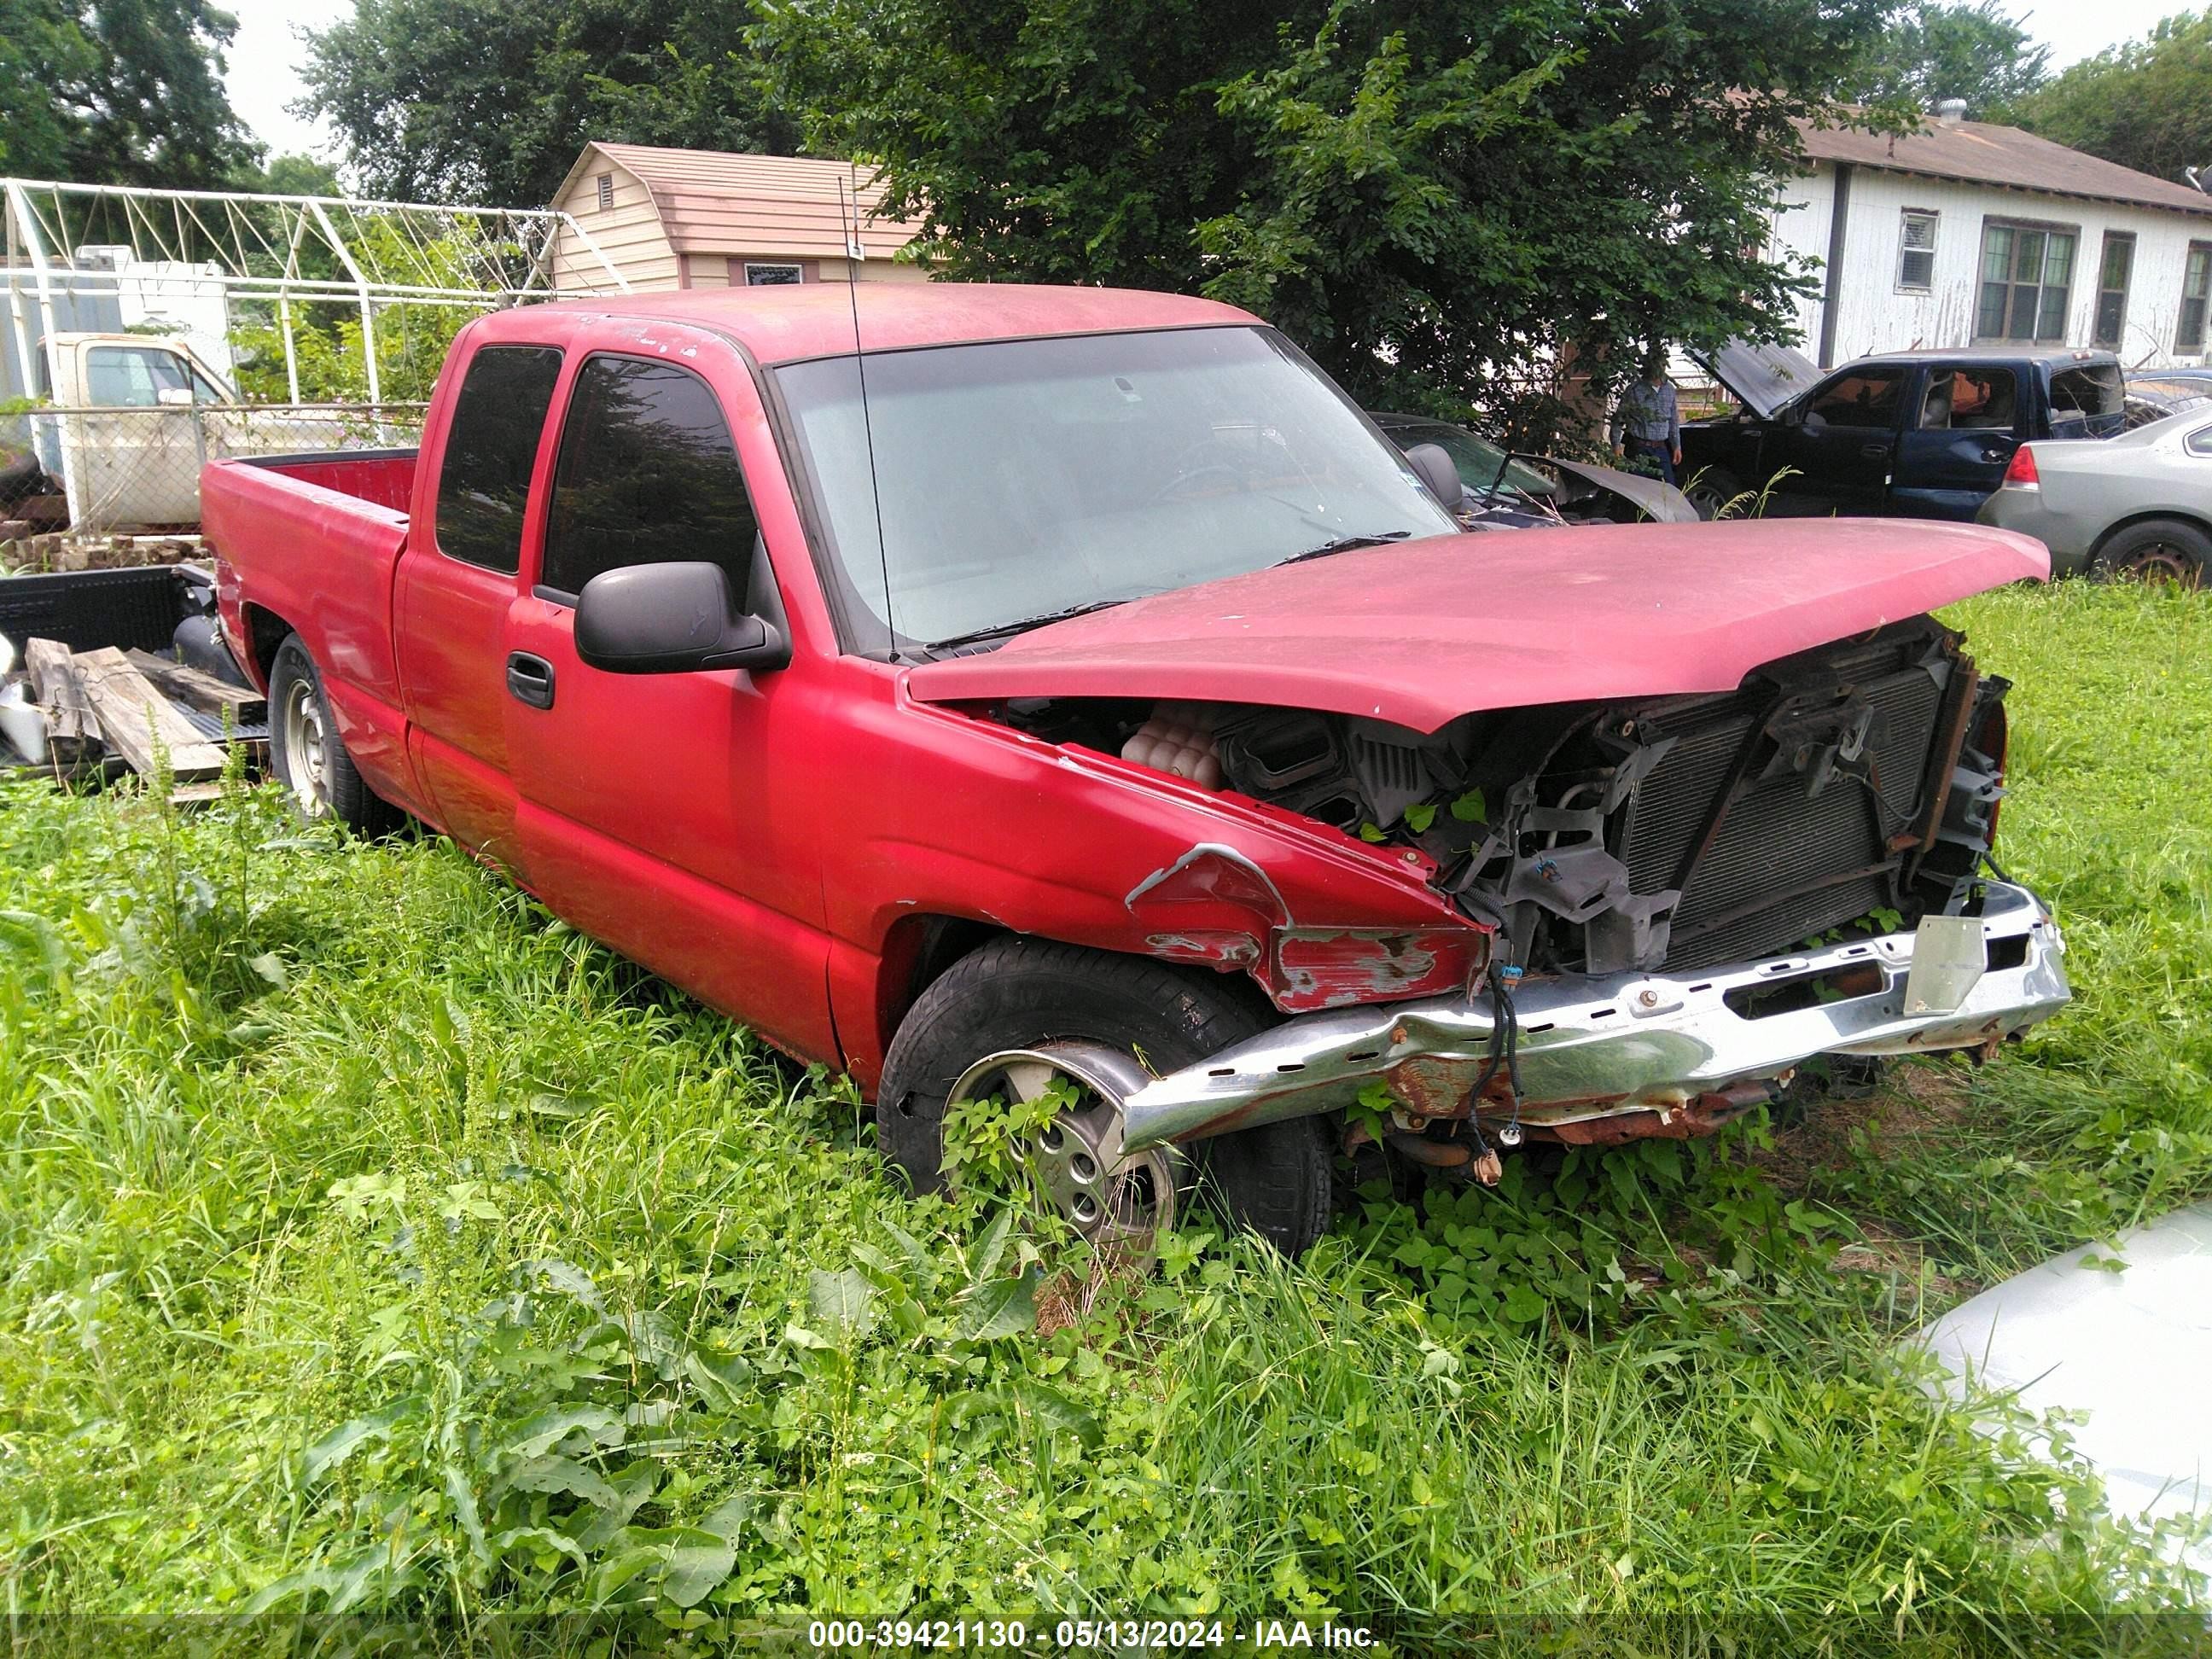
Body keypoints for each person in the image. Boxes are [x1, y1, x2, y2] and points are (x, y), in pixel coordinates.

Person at [1611, 355, 1682, 485]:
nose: (1660, 369)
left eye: (1663, 365)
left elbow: (1673, 420)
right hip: (1638, 448)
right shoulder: (1635, 389)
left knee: (1668, 487)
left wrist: (1676, 445)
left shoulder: (1669, 389)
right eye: (1657, 366)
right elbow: (1619, 419)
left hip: (1661, 448)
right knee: (1636, 487)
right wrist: (1616, 447)